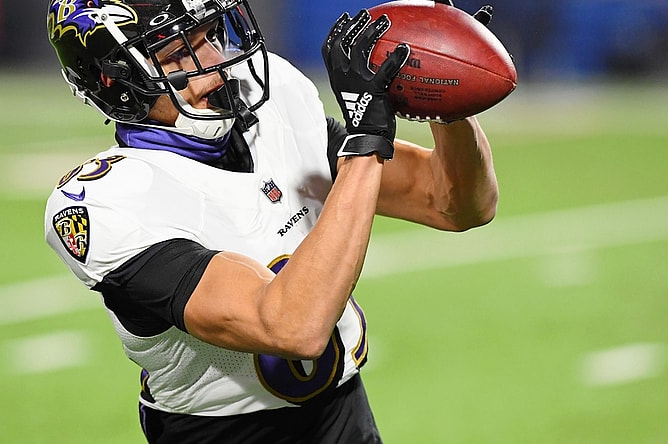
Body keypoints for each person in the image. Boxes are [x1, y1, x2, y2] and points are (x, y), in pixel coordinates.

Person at [44, 1, 501, 442]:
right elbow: (291, 326)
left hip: (346, 421)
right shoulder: (107, 204)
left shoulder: (268, 101)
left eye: (211, 35)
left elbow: (455, 203)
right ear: (115, 81)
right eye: (178, 52)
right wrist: (366, 143)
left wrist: (448, 104)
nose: (215, 65)